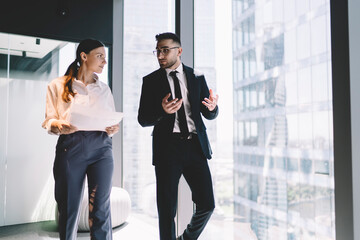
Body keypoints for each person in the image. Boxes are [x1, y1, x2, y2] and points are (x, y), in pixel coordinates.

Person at [138, 32, 219, 240]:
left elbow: (208, 113)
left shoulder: (197, 77)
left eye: (165, 50)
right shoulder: (150, 81)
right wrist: (162, 111)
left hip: (195, 147)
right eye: (157, 51)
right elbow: (143, 119)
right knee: (166, 211)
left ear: (179, 51)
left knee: (207, 205)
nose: (160, 55)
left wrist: (213, 108)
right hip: (168, 149)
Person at [42, 39, 119, 240]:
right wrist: (60, 126)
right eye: (100, 56)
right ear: (84, 56)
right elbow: (49, 120)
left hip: (102, 149)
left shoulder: (104, 89)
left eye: (106, 57)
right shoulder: (57, 85)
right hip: (70, 148)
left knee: (101, 209)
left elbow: (109, 120)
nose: (105, 61)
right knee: (68, 208)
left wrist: (113, 128)